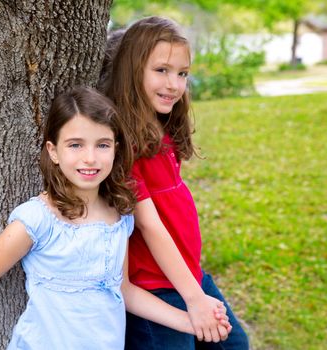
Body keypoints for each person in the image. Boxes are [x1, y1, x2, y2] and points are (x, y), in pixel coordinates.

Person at [0, 86, 229, 350]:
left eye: (102, 145)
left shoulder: (119, 215)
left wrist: (189, 321)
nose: (89, 158)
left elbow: (123, 289)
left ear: (116, 150)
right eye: (75, 145)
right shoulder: (38, 220)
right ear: (53, 151)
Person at [100, 16, 250, 349]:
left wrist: (196, 289)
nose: (174, 84)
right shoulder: (121, 145)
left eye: (182, 74)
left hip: (188, 276)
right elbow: (151, 226)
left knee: (235, 344)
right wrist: (195, 299)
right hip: (155, 287)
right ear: (132, 69)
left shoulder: (161, 128)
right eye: (162, 70)